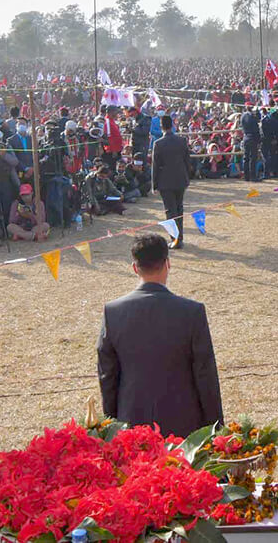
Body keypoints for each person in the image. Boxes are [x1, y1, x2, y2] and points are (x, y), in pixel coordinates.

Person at [98, 235, 224, 438]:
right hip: (185, 425)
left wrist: (111, 423)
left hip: (131, 424)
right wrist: (216, 428)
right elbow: (205, 376)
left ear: (135, 267)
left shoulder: (112, 312)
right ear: (168, 264)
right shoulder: (192, 312)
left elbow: (107, 376)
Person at [151, 115, 192, 248]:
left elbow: (155, 166)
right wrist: (187, 178)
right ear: (173, 125)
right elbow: (187, 161)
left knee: (170, 211)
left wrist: (154, 184)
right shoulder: (182, 140)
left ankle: (175, 239)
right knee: (179, 209)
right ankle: (180, 238)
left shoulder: (158, 143)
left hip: (165, 181)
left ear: (161, 126)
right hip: (180, 179)